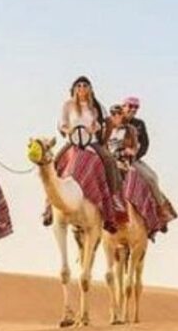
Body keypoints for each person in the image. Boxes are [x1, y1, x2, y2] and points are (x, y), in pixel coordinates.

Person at [44, 75, 124, 226]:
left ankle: (112, 202)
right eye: (79, 86)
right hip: (72, 141)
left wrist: (95, 130)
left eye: (85, 86)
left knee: (109, 161)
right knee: (53, 165)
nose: (82, 88)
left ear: (90, 89)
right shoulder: (67, 106)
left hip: (91, 142)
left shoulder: (95, 107)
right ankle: (49, 206)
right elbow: (62, 124)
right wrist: (69, 129)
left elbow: (100, 124)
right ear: (74, 89)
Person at [120, 97, 176, 223]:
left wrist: (134, 155)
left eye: (136, 107)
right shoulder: (114, 120)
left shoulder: (139, 124)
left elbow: (144, 144)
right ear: (123, 106)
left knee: (152, 177)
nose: (133, 109)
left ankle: (161, 207)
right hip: (115, 157)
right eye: (130, 106)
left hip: (133, 158)